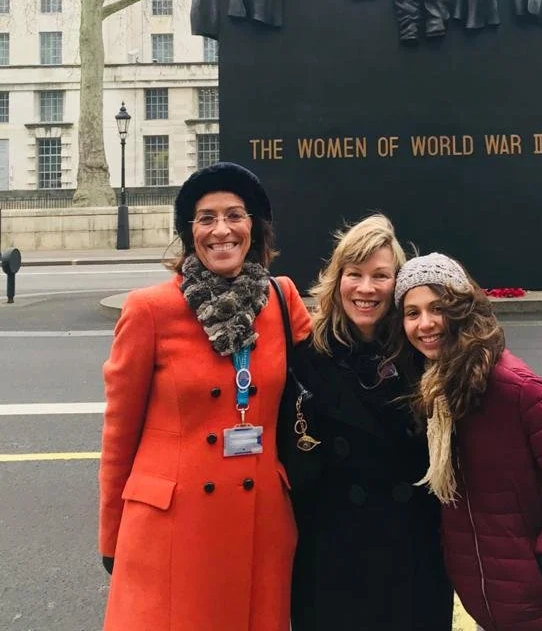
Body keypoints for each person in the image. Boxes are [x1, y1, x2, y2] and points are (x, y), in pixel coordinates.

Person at [98, 162, 311, 631]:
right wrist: (111, 536)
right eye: (206, 218)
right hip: (172, 528)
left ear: (254, 227)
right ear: (189, 232)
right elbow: (119, 433)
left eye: (235, 215)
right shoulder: (149, 310)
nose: (222, 231)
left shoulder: (281, 299)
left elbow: (329, 380)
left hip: (260, 522)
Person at [393, 253, 542, 631]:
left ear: (461, 309)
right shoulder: (438, 390)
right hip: (496, 604)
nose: (425, 323)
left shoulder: (510, 387)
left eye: (437, 308)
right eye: (412, 313)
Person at [289, 215, 454, 631]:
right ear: (336, 279)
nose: (366, 289)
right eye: (355, 274)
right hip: (331, 553)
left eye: (380, 276)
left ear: (396, 285)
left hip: (413, 551)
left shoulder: (426, 354)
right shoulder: (305, 356)